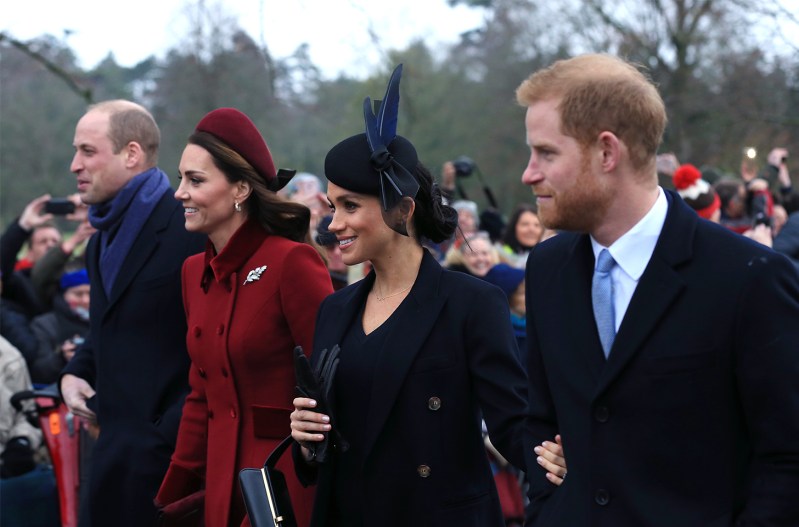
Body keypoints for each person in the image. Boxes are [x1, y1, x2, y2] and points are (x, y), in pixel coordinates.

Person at [516, 53, 799, 526]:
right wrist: (550, 508)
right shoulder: (548, 268)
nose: (529, 173)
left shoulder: (749, 278)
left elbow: (787, 460)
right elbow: (541, 420)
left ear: (607, 152)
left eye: (546, 153)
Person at [290, 64, 530, 527]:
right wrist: (306, 438)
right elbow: (329, 447)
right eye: (332, 206)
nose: (333, 223)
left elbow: (513, 424)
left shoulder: (470, 304)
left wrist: (567, 457)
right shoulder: (335, 309)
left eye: (350, 206)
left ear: (403, 209)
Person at [155, 108, 332, 526]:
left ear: (239, 189)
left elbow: (331, 378)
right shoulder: (192, 273)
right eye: (180, 178)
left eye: (195, 180)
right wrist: (177, 486)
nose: (179, 192)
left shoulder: (293, 262)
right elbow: (202, 394)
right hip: (221, 483)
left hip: (284, 483)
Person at [59, 99, 206, 527]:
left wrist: (168, 433)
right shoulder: (98, 241)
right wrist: (75, 371)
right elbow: (108, 329)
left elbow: (215, 341)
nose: (75, 165)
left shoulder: (188, 229)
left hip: (170, 469)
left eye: (88, 151)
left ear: (132, 154)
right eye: (76, 151)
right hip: (109, 462)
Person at [29, 268, 90, 385]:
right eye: (78, 294)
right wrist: (61, 357)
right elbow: (38, 371)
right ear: (64, 295)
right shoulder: (45, 325)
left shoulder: (105, 322)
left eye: (90, 293)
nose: (86, 300)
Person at [498, 203, 544, 268]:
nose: (531, 229)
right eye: (525, 224)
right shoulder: (497, 254)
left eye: (536, 225)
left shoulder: (546, 255)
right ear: (513, 227)